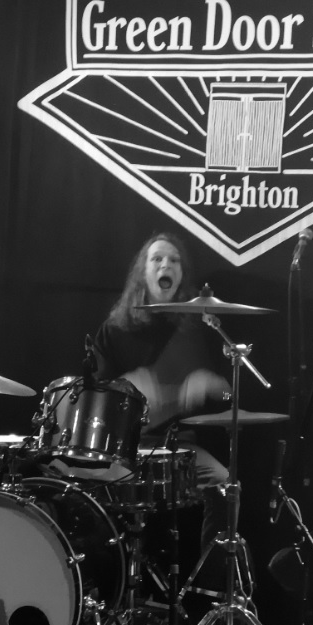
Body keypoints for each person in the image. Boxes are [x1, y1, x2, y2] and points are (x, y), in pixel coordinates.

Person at [90, 232, 233, 598]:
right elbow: (96, 396)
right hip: (126, 448)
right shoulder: (115, 329)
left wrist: (212, 385)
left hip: (180, 448)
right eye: (156, 259)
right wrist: (126, 387)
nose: (165, 265)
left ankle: (207, 594)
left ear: (181, 274)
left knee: (225, 486)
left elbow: (226, 396)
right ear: (144, 271)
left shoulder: (198, 327)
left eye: (173, 260)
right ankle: (107, 595)